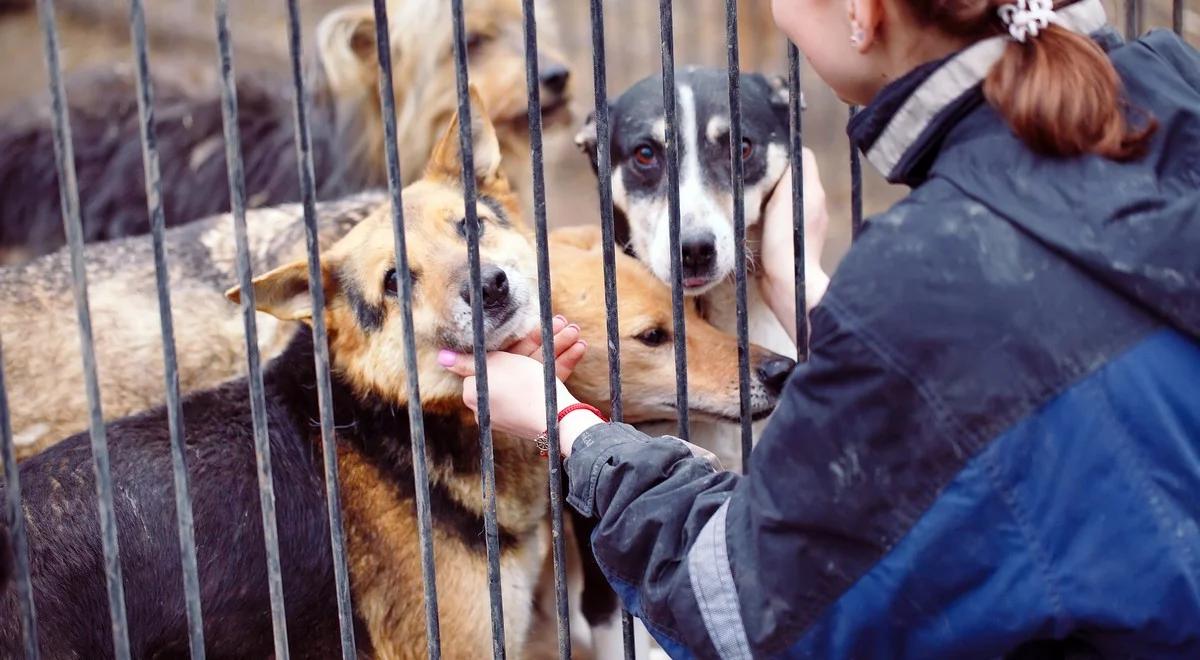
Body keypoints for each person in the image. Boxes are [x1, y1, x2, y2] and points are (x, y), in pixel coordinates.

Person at [440, 0, 1200, 655]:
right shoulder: (1172, 90)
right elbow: (967, 394)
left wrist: (564, 424)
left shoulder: (925, 270)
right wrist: (798, 281)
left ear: (861, 16)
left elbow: (744, 613)